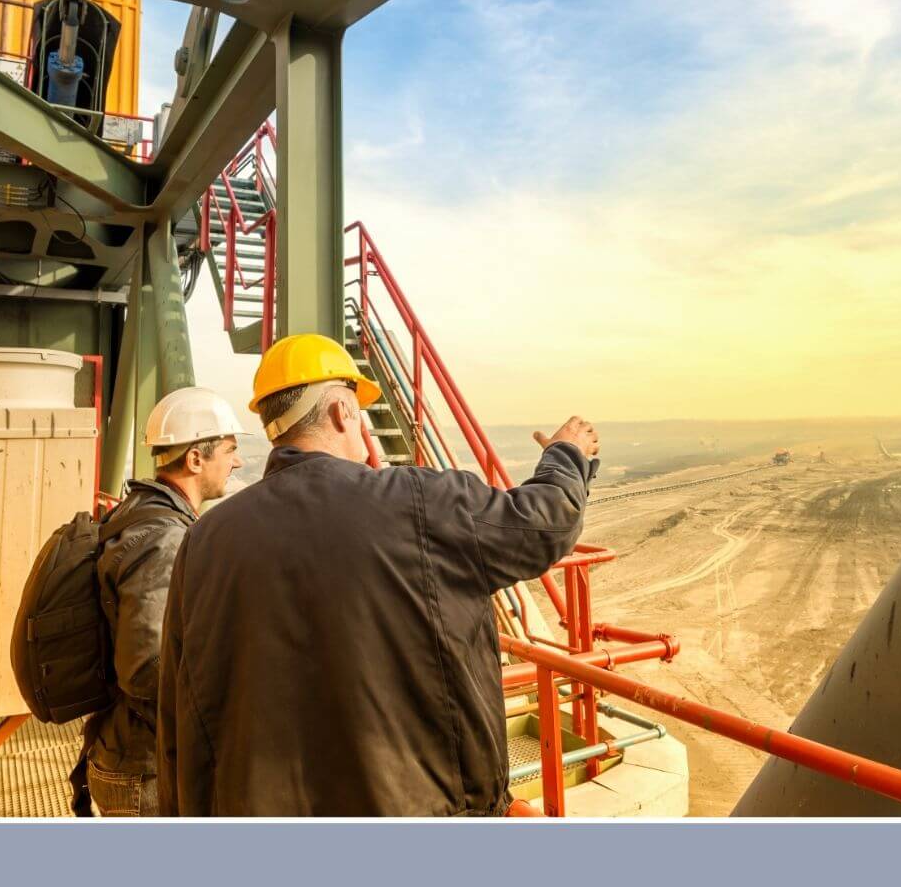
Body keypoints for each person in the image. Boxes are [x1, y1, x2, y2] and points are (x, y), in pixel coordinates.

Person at [157, 333, 600, 816]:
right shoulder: (416, 502)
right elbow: (542, 525)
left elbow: (178, 714)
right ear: (343, 413)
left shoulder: (204, 540)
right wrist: (566, 455)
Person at [73, 386, 245, 817]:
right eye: (229, 449)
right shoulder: (166, 539)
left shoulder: (137, 511)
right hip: (141, 769)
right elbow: (147, 668)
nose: (237, 461)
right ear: (194, 460)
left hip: (124, 753)